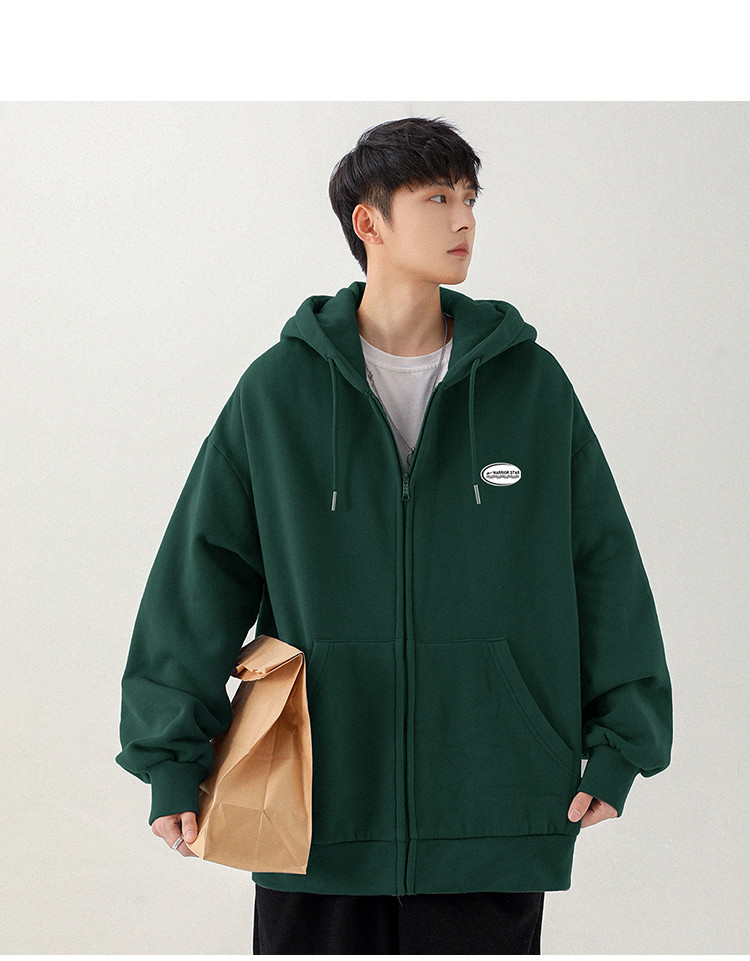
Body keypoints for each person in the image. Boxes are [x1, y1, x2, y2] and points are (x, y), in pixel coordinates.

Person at [116, 117, 673, 954]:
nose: (465, 219)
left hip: (495, 801)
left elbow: (603, 567)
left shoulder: (531, 386)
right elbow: (202, 572)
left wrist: (623, 741)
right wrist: (169, 755)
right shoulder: (279, 392)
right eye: (437, 198)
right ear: (367, 221)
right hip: (312, 804)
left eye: (471, 198)